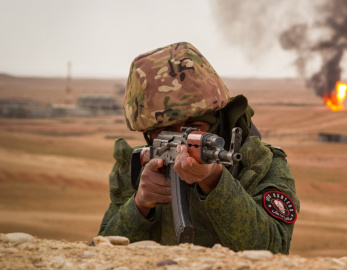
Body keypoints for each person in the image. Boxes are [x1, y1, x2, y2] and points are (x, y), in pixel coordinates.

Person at [96, 42, 300, 254]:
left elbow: (273, 250)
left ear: (218, 123)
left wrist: (215, 182)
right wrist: (140, 205)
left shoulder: (261, 165)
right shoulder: (139, 166)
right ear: (150, 135)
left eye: (194, 129)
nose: (181, 143)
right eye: (165, 132)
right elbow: (99, 251)